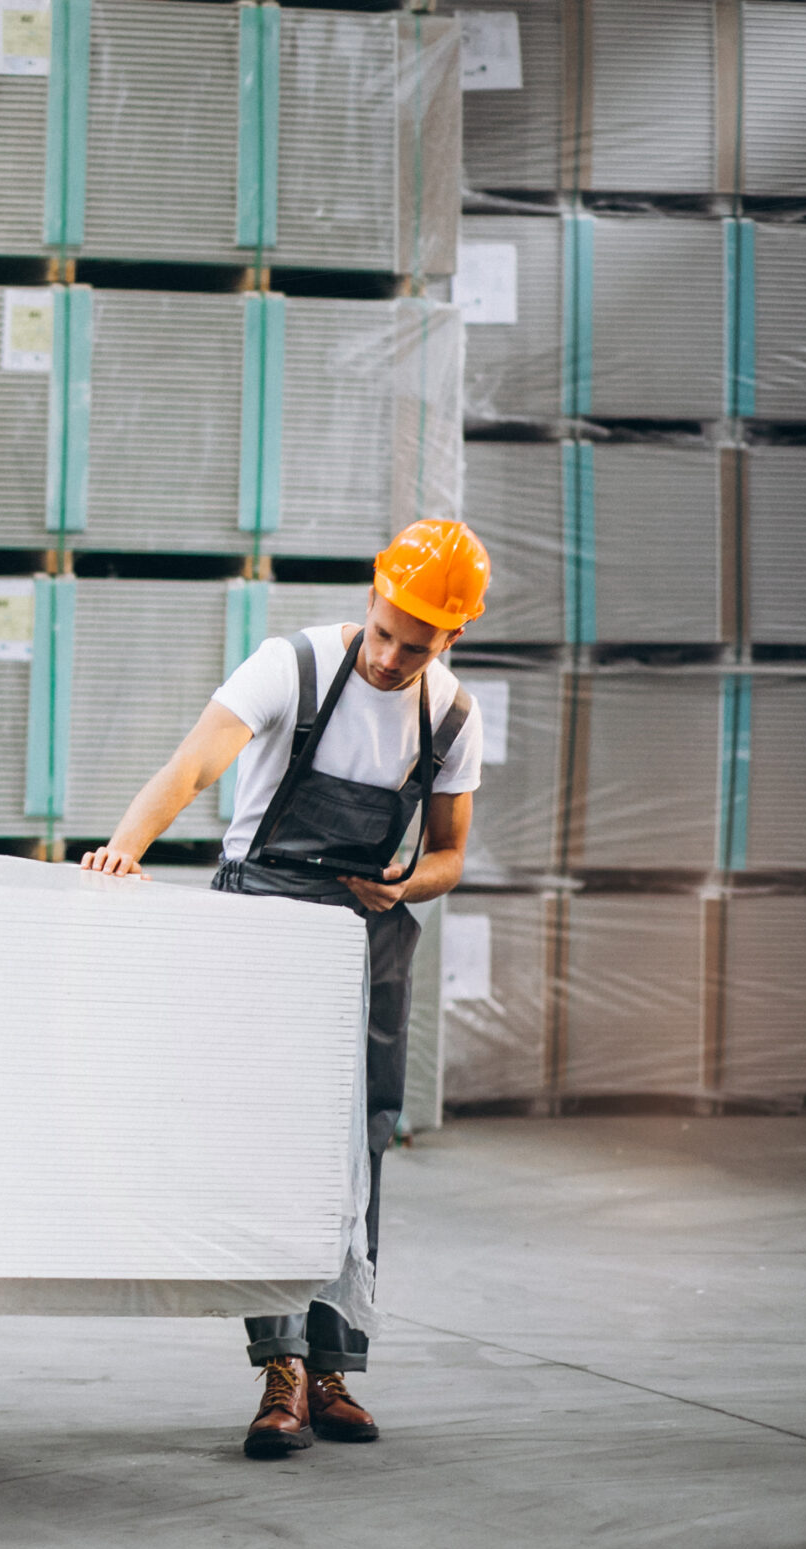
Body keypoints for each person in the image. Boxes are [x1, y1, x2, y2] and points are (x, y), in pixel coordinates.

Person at [79, 520, 491, 1460]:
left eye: (415, 645)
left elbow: (452, 855)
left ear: (450, 639)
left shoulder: (453, 714)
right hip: (262, 919)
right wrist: (123, 850)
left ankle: (337, 1361)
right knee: (264, 1143)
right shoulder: (293, 665)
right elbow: (193, 766)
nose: (391, 656)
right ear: (374, 596)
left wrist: (402, 885)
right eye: (385, 630)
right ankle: (283, 1370)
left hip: (366, 930)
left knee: (361, 1146)